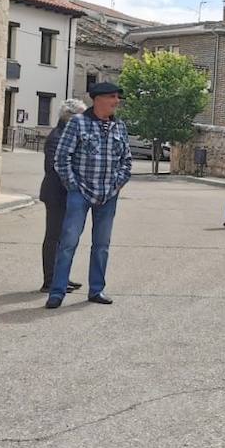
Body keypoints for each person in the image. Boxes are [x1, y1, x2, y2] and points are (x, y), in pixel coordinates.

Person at [45, 82, 133, 309]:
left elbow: (126, 161)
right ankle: (57, 292)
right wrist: (73, 186)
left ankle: (97, 290)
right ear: (98, 99)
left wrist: (118, 184)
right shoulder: (78, 123)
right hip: (80, 194)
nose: (117, 101)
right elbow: (61, 158)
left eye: (117, 97)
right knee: (68, 243)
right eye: (112, 97)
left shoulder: (119, 127)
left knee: (101, 245)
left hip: (108, 194)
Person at [39, 98, 88, 294]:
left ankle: (61, 277)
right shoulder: (57, 137)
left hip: (65, 194)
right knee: (54, 237)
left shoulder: (67, 134)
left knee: (64, 238)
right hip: (56, 194)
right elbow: (55, 167)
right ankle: (50, 281)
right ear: (70, 117)